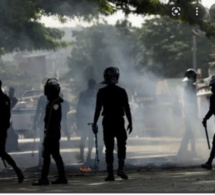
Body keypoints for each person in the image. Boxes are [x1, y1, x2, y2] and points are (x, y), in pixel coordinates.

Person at [92, 67, 133, 181]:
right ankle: (121, 169)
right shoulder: (121, 91)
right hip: (119, 121)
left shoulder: (101, 92)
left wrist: (95, 123)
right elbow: (127, 108)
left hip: (108, 121)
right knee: (121, 145)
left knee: (109, 147)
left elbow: (98, 109)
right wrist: (130, 122)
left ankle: (110, 174)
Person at [32, 78, 67, 185]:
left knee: (48, 155)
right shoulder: (54, 102)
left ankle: (45, 178)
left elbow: (51, 120)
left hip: (52, 133)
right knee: (54, 155)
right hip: (53, 133)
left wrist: (47, 135)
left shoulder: (54, 104)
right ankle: (60, 177)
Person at [0, 80, 24, 183]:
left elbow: (6, 116)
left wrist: (4, 127)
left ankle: (18, 170)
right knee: (2, 152)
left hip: (0, 130)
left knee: (2, 152)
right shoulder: (5, 98)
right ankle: (17, 170)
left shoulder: (4, 99)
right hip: (2, 129)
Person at [177, 69, 198, 158]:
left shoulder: (189, 88)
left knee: (191, 133)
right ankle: (183, 151)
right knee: (189, 133)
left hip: (189, 113)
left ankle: (188, 150)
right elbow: (191, 102)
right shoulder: (189, 88)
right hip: (190, 114)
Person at [76, 79, 97, 163]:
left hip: (85, 119)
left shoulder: (83, 94)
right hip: (92, 118)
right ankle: (88, 155)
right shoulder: (97, 93)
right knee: (90, 138)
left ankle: (82, 155)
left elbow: (79, 107)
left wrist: (78, 119)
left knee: (83, 137)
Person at [202, 75, 215, 170]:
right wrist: (205, 119)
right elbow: (212, 110)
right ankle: (209, 162)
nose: (212, 88)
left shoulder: (213, 98)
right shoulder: (213, 98)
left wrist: (205, 119)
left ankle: (209, 162)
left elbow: (212, 110)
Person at [33, 94, 47, 166]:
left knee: (44, 141)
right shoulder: (43, 98)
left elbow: (38, 111)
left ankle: (43, 160)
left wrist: (35, 123)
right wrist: (35, 122)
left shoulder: (42, 98)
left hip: (47, 121)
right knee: (43, 140)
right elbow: (38, 110)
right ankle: (41, 160)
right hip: (45, 121)